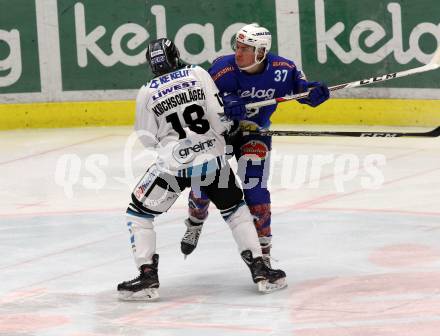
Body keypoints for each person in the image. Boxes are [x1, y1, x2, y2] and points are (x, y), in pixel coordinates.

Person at [117, 38, 287, 301]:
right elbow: (220, 118)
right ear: (175, 56)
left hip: (174, 167)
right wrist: (224, 132)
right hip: (212, 160)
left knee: (138, 214)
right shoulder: (198, 73)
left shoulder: (147, 91)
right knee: (236, 212)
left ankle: (147, 274)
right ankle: (260, 268)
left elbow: (147, 138)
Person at [181, 23, 330, 266]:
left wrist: (313, 94)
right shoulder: (221, 69)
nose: (238, 53)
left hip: (254, 133)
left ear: (260, 52)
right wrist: (225, 103)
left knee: (255, 189)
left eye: (245, 49)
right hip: (220, 135)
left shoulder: (284, 68)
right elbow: (198, 103)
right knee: (203, 184)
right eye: (237, 47)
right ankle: (195, 222)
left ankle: (263, 253)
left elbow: (303, 90)